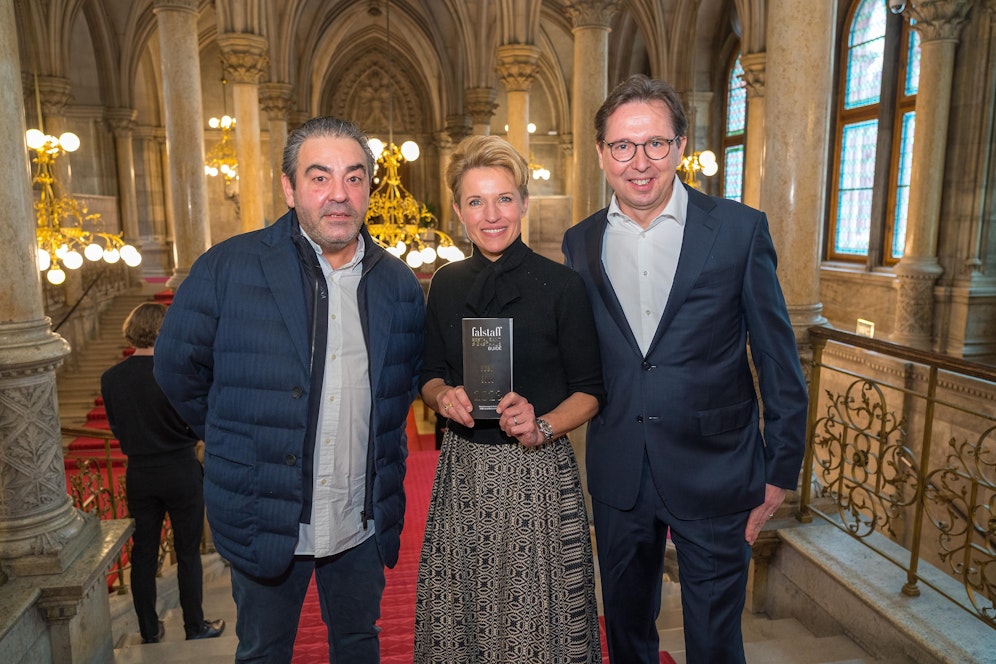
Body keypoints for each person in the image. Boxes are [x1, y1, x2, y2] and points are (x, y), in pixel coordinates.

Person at [153, 115, 425, 663]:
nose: (339, 196)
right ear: (289, 187)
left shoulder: (398, 284)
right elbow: (176, 370)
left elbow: (404, 385)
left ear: (370, 186)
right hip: (266, 514)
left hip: (359, 520)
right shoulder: (228, 268)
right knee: (263, 651)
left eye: (353, 177)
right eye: (320, 178)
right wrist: (235, 435)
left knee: (357, 644)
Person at [562, 74, 809, 663]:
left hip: (718, 472)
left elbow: (777, 357)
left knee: (716, 640)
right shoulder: (580, 243)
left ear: (679, 147)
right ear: (601, 154)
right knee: (625, 629)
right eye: (623, 146)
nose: (639, 162)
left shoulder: (739, 230)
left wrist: (780, 469)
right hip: (620, 471)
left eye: (655, 143)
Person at [415, 134, 606, 663]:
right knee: (465, 614)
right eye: (476, 201)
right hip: (465, 472)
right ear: (458, 210)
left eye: (503, 198)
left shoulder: (563, 286)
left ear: (524, 202)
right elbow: (428, 374)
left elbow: (591, 389)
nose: (491, 214)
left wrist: (542, 423)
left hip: (536, 473)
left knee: (538, 626)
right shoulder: (446, 284)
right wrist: (443, 396)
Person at [100, 302, 225, 644]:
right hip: (181, 468)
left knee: (143, 553)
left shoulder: (111, 378)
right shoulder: (177, 374)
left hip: (140, 472)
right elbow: (199, 422)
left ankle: (149, 629)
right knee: (187, 552)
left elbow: (116, 426)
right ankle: (194, 626)